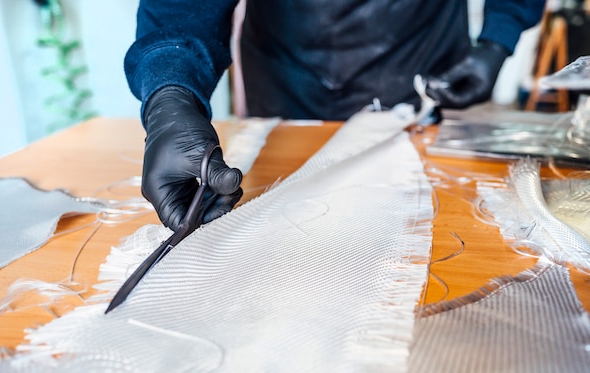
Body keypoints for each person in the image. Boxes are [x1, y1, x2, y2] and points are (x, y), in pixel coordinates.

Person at [124, 0, 546, 231]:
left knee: (419, 230)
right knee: (286, 232)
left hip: (418, 70)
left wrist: (497, 39)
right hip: (287, 81)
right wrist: (171, 95)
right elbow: (181, 7)